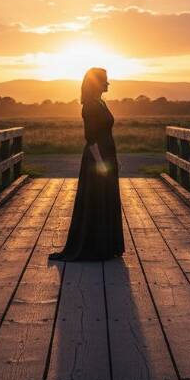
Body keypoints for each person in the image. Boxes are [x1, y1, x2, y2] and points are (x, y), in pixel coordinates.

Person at [49, 67, 125, 261]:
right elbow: (90, 138)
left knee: (106, 199)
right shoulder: (90, 106)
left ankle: (107, 246)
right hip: (97, 158)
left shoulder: (101, 103)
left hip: (107, 156)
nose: (108, 83)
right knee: (96, 200)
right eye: (104, 80)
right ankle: (95, 248)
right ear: (95, 83)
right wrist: (100, 163)